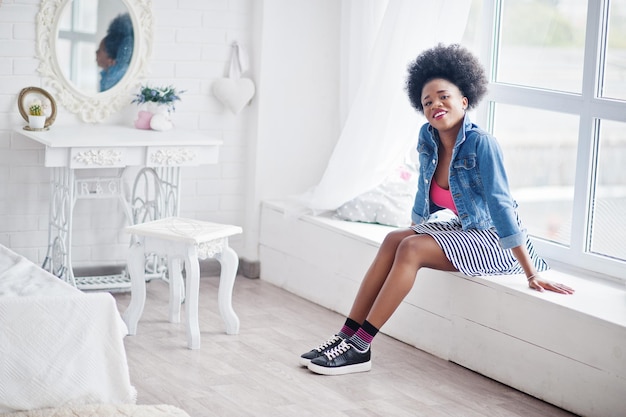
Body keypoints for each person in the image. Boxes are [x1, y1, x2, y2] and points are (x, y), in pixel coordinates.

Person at [300, 43, 575, 376]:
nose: (435, 105)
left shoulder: (481, 143)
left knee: (412, 248)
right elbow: (422, 193)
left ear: (464, 100)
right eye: (427, 101)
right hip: (462, 231)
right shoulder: (427, 137)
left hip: (492, 239)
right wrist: (412, 228)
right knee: (394, 240)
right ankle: (345, 335)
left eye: (444, 96)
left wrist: (531, 272)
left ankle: (361, 346)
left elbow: (501, 206)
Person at [96, 13, 134, 91]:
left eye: (99, 50)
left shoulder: (115, 78)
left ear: (110, 59)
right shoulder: (108, 75)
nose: (96, 52)